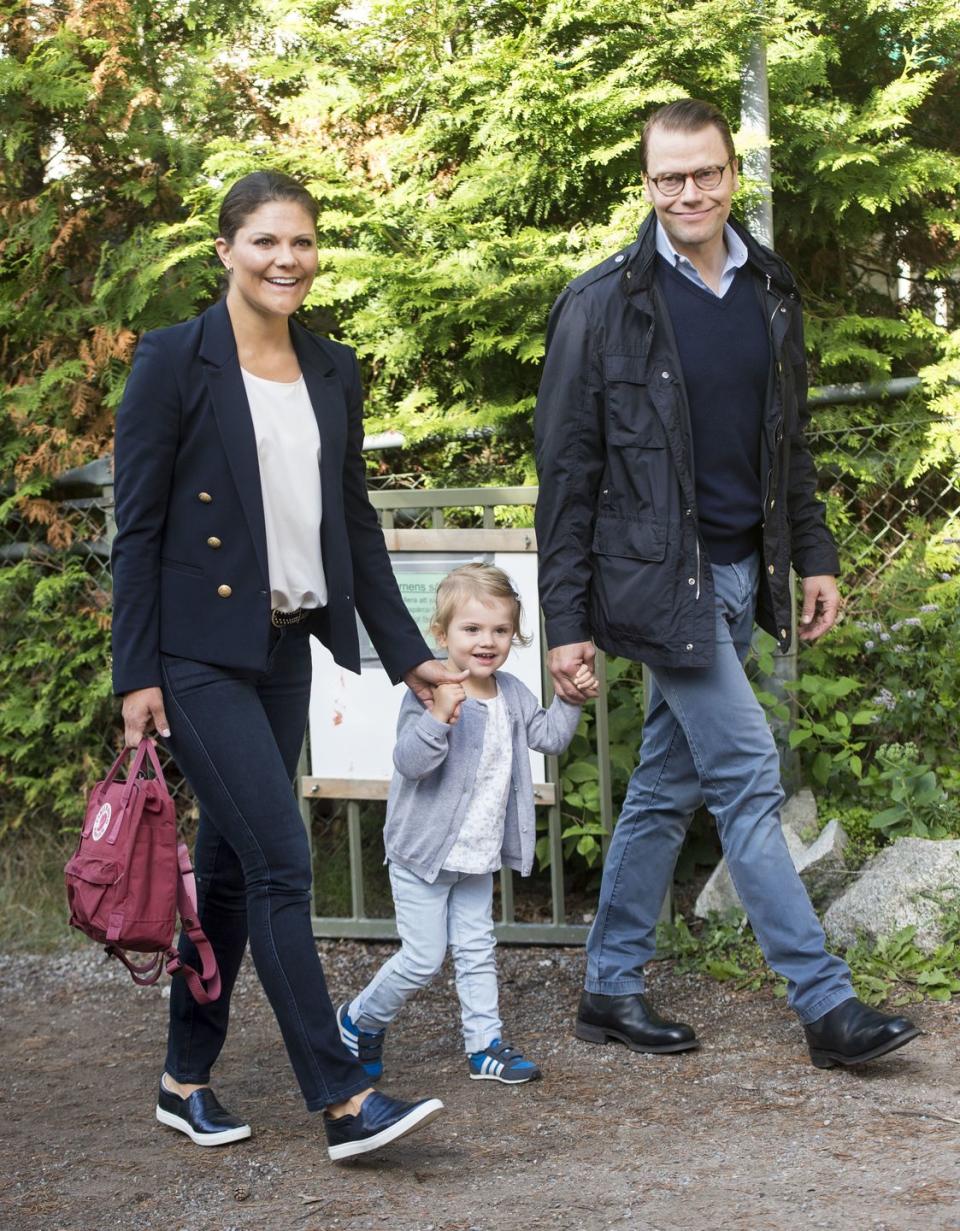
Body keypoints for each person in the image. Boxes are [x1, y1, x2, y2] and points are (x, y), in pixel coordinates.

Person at [533, 100, 919, 1069]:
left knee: (666, 785)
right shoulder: (601, 304)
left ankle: (609, 987)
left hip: (748, 571)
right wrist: (564, 620)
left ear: (733, 174)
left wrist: (816, 553)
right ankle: (828, 1007)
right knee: (748, 776)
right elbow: (568, 475)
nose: (689, 192)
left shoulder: (770, 290)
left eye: (705, 173)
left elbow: (790, 444)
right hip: (664, 584)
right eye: (669, 177)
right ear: (648, 182)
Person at [112, 170, 463, 1161]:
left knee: (227, 871)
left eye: (302, 241)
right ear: (225, 249)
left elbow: (352, 525)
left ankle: (185, 1079)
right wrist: (135, 672)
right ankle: (345, 1097)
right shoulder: (174, 361)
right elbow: (135, 530)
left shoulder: (333, 368)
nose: (287, 260)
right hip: (194, 654)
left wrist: (409, 657)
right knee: (279, 860)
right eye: (266, 241)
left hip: (281, 651)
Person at [337, 564, 598, 1084]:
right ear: (443, 635)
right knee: (423, 958)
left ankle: (485, 1048)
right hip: (422, 856)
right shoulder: (429, 692)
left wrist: (568, 697)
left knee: (478, 951)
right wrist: (439, 718)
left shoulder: (515, 693)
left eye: (500, 630)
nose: (487, 641)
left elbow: (547, 737)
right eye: (472, 629)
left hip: (476, 856)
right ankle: (357, 1019)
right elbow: (410, 763)